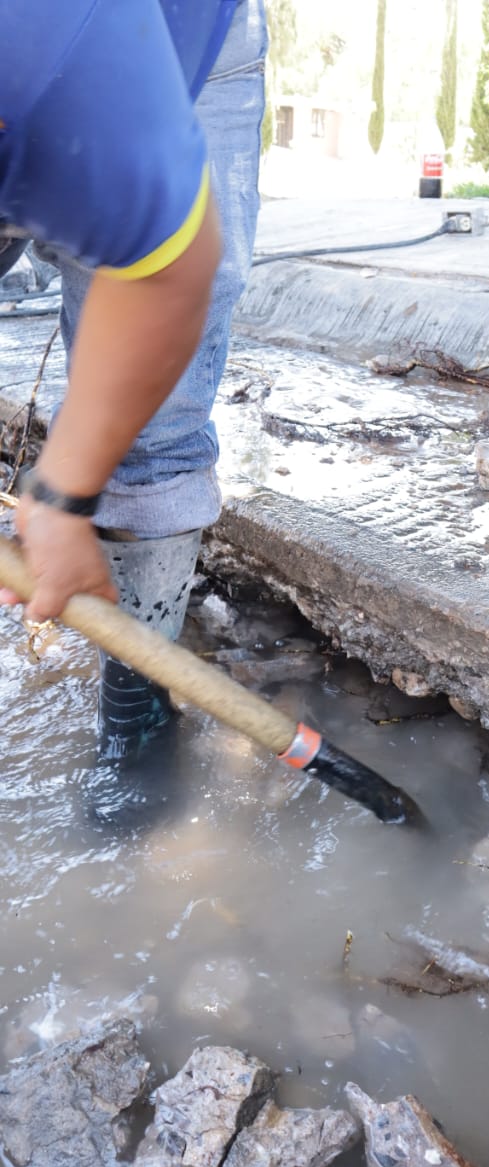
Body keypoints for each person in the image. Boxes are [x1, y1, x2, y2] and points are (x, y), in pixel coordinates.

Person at [0, 0, 267, 771]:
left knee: (151, 427)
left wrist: (61, 498)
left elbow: (169, 277)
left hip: (174, 45)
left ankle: (136, 704)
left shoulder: (55, 57)